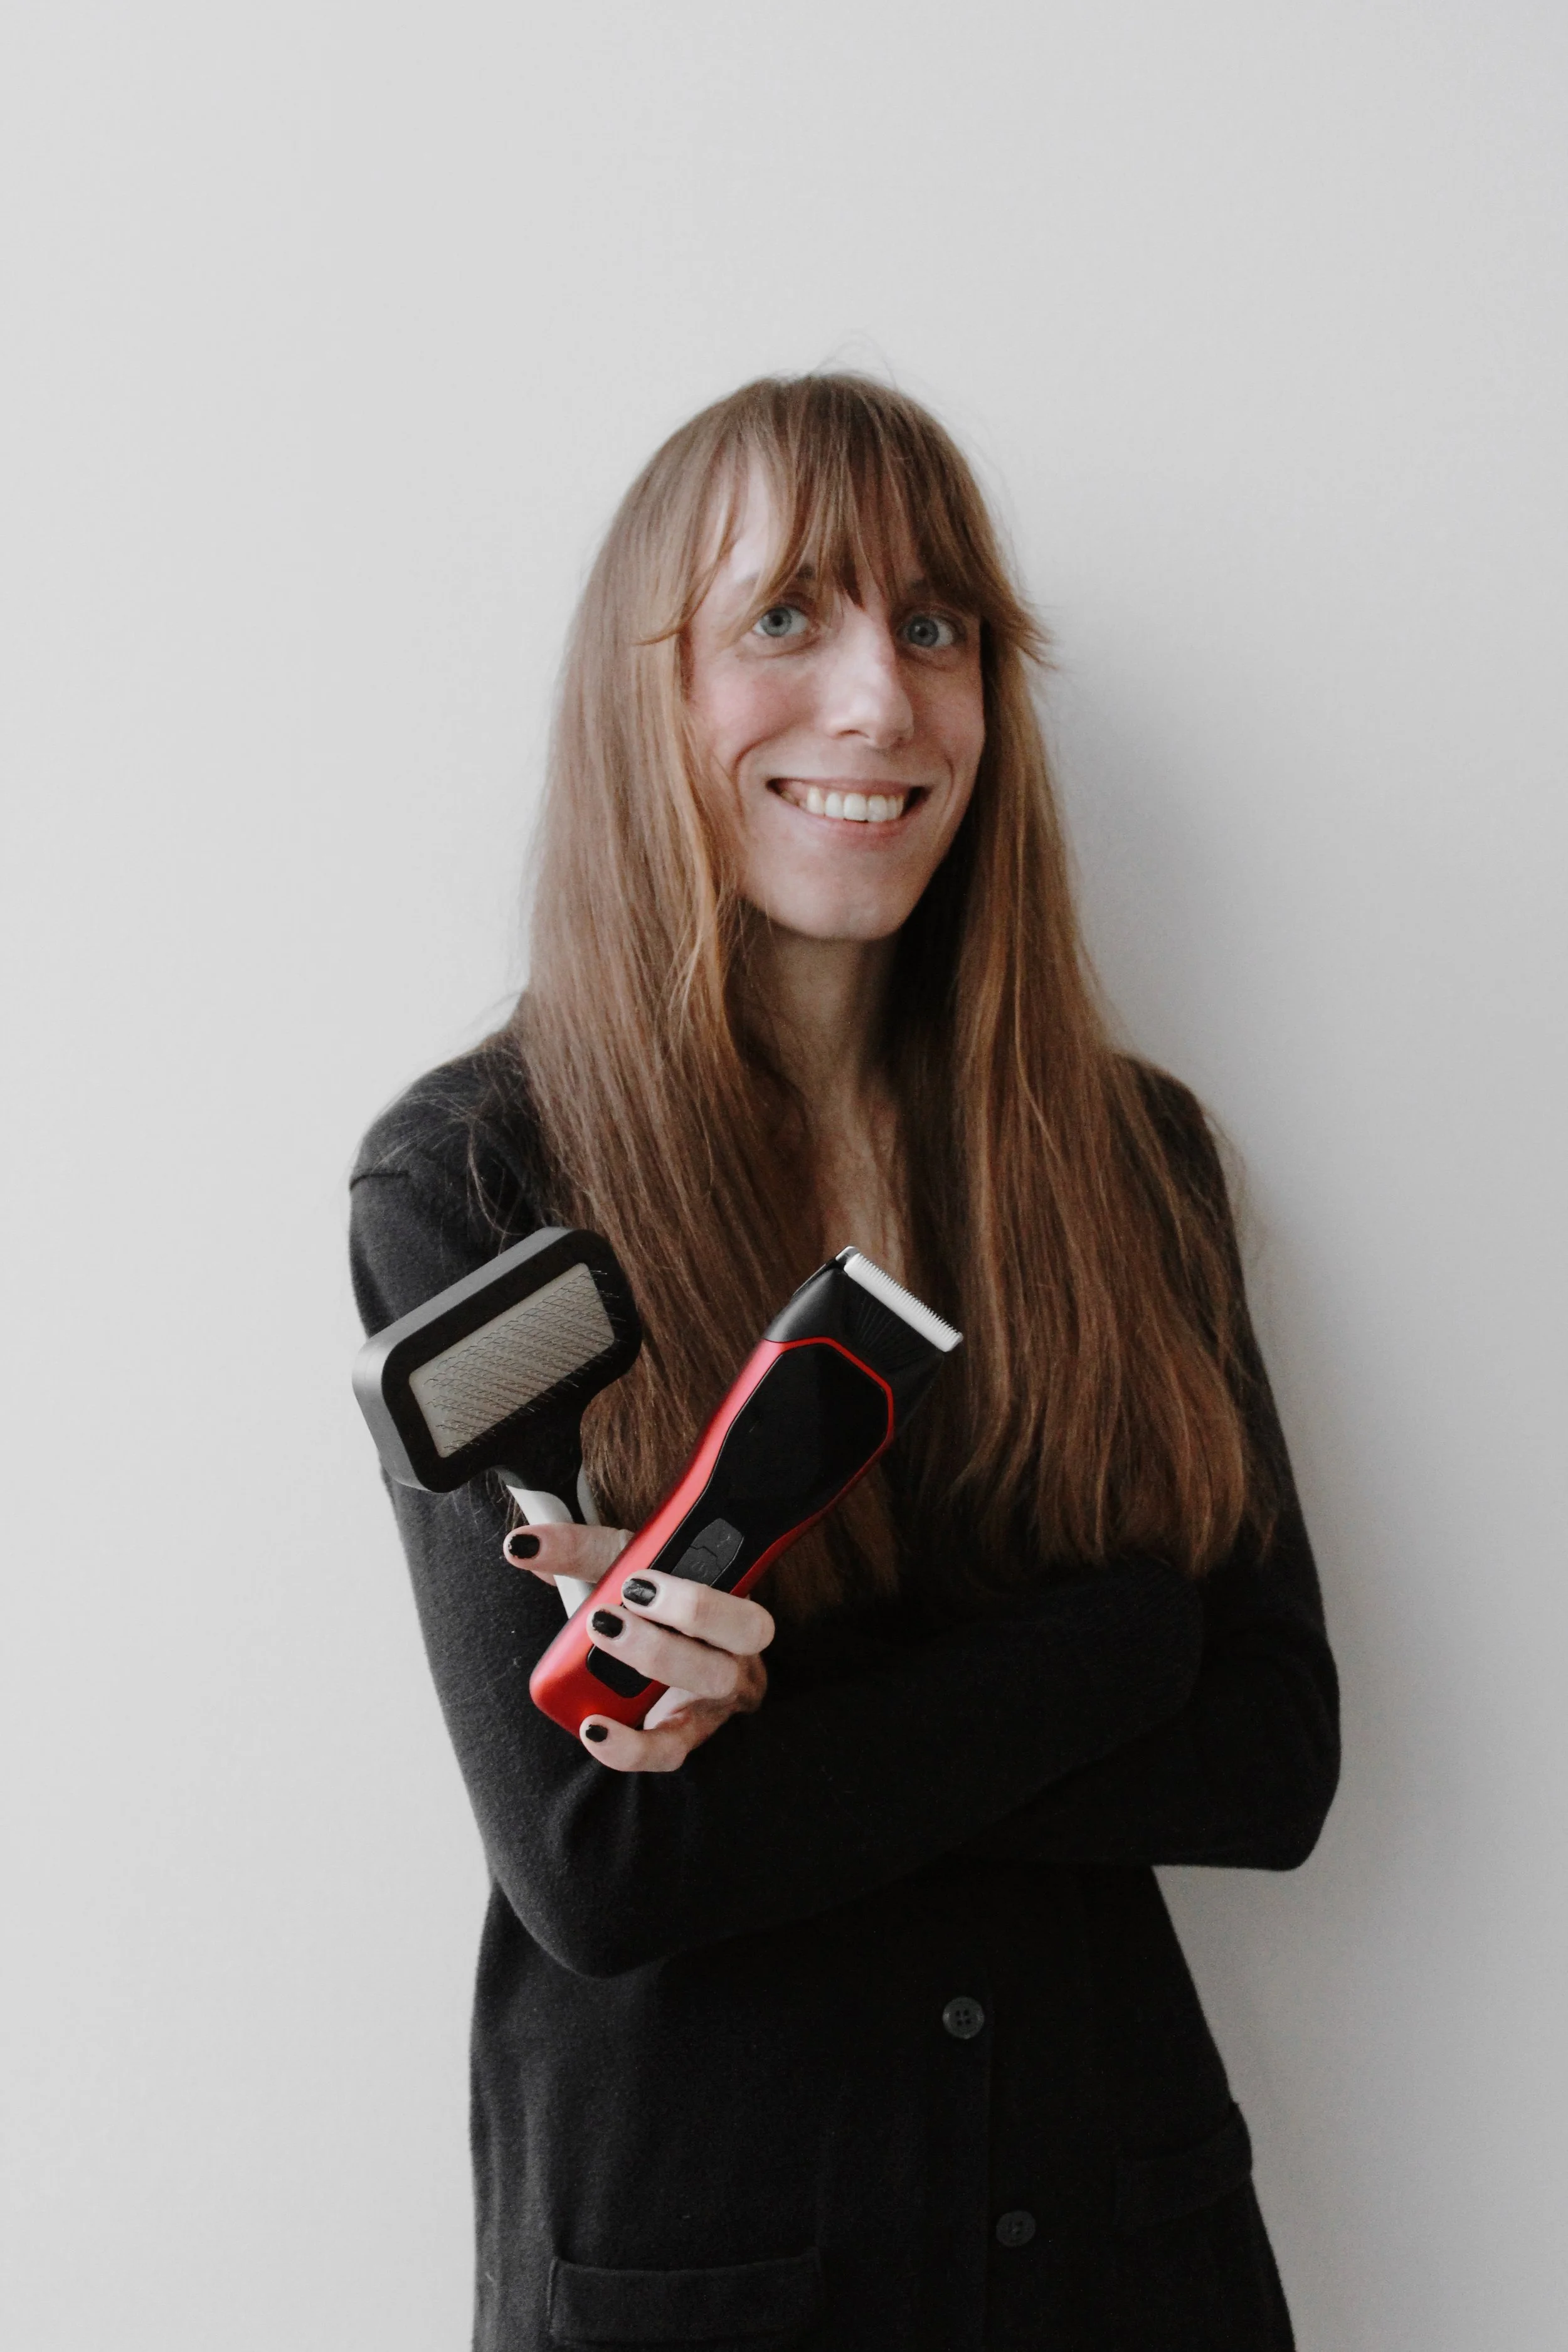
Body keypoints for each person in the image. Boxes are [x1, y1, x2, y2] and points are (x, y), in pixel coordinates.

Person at [349, 373, 1338, 2351]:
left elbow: (1269, 1754)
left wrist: (781, 1717)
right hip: (701, 2263)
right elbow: (602, 1859)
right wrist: (1104, 1641)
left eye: (935, 622)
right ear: (653, 691)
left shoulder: (1129, 1157)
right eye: (783, 618)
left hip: (1114, 2246)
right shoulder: (474, 1177)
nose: (880, 701)